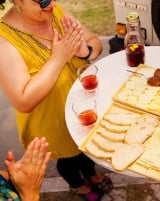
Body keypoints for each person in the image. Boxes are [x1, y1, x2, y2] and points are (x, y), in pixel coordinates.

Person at [0, 0, 112, 200]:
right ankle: (77, 185)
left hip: (84, 108)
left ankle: (90, 173)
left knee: (85, 150)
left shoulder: (55, 9)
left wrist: (84, 51)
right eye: (41, 0)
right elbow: (23, 101)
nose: (51, 3)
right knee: (67, 159)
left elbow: (94, 43)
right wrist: (58, 58)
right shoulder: (3, 40)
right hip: (51, 122)